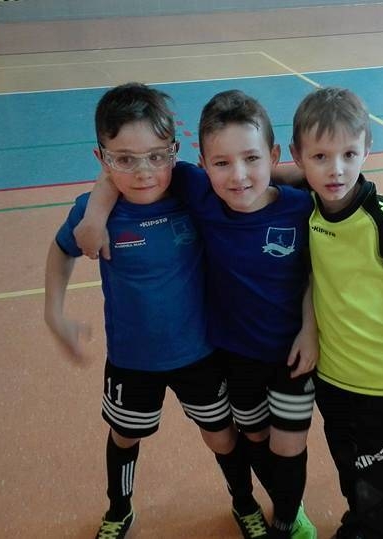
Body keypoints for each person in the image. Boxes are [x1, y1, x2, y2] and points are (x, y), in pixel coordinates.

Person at [76, 90, 319, 539]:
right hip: (232, 352)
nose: (238, 175)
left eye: (252, 159)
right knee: (252, 435)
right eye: (222, 163)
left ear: (271, 156)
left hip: (289, 351)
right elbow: (121, 167)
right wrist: (93, 216)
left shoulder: (298, 206)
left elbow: (314, 269)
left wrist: (310, 327)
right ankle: (258, 501)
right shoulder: (198, 190)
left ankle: (286, 514)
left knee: (285, 443)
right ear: (204, 167)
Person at [44, 82, 244, 539]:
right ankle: (119, 509)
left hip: (200, 352)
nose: (144, 173)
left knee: (221, 435)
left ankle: (244, 501)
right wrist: (54, 313)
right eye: (125, 159)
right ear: (101, 159)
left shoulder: (192, 192)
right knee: (125, 435)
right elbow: (61, 250)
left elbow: (246, 180)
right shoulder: (92, 212)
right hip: (131, 360)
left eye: (157, 156)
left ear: (174, 150)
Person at [288, 86, 383, 539]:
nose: (336, 169)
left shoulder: (381, 220)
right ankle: (358, 524)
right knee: (351, 466)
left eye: (349, 154)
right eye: (320, 157)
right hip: (332, 376)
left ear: (367, 150)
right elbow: (264, 177)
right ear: (298, 156)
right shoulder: (305, 203)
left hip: (380, 380)